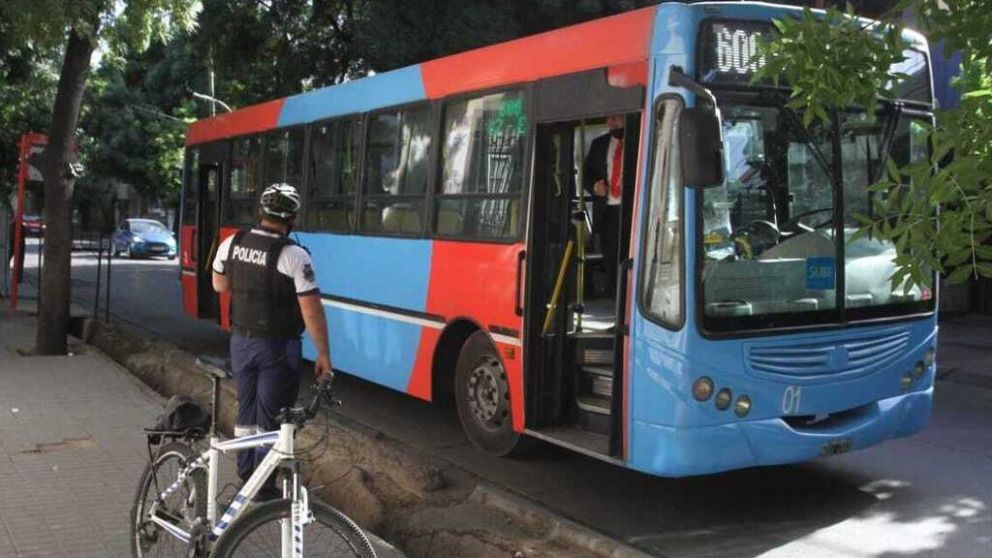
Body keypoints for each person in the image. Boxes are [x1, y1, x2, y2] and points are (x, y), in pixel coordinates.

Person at [211, 183, 332, 499]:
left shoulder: (232, 243)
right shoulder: (294, 256)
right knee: (271, 419)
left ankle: (245, 479)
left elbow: (219, 285)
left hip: (241, 342)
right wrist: (324, 355)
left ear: (260, 212)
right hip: (276, 348)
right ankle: (262, 489)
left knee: (246, 413)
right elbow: (312, 312)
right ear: (292, 217)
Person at [583, 114, 626, 294]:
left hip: (632, 212)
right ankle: (618, 302)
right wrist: (594, 186)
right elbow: (586, 175)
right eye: (609, 119)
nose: (611, 123)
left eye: (616, 118)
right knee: (612, 261)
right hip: (607, 213)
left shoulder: (642, 140)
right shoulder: (599, 144)